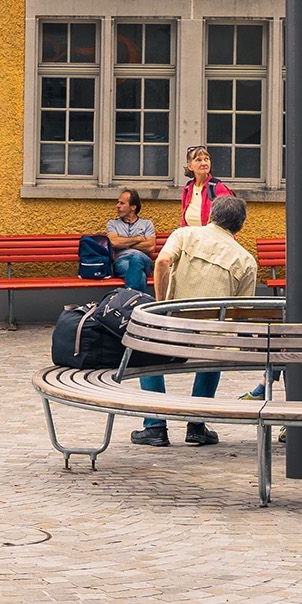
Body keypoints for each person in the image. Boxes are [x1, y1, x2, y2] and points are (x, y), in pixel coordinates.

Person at [133, 192, 255, 448]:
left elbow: (163, 261)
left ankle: (155, 425)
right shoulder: (246, 260)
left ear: (211, 215)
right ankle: (197, 424)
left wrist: (161, 305)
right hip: (209, 342)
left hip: (174, 330)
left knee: (146, 347)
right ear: (240, 226)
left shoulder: (185, 234)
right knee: (215, 349)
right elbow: (243, 313)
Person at [103, 188, 161, 293]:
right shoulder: (113, 224)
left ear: (133, 207)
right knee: (140, 276)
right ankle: (136, 302)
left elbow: (151, 247)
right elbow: (114, 242)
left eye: (122, 203)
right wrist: (138, 239)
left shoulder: (146, 224)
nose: (117, 206)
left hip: (144, 261)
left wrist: (125, 243)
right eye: (118, 202)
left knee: (137, 259)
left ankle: (129, 299)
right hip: (121, 261)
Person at [181, 146, 238, 230]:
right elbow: (184, 219)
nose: (204, 163)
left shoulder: (217, 187)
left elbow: (231, 217)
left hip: (214, 240)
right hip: (193, 239)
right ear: (190, 166)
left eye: (206, 159)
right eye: (198, 160)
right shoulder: (188, 187)